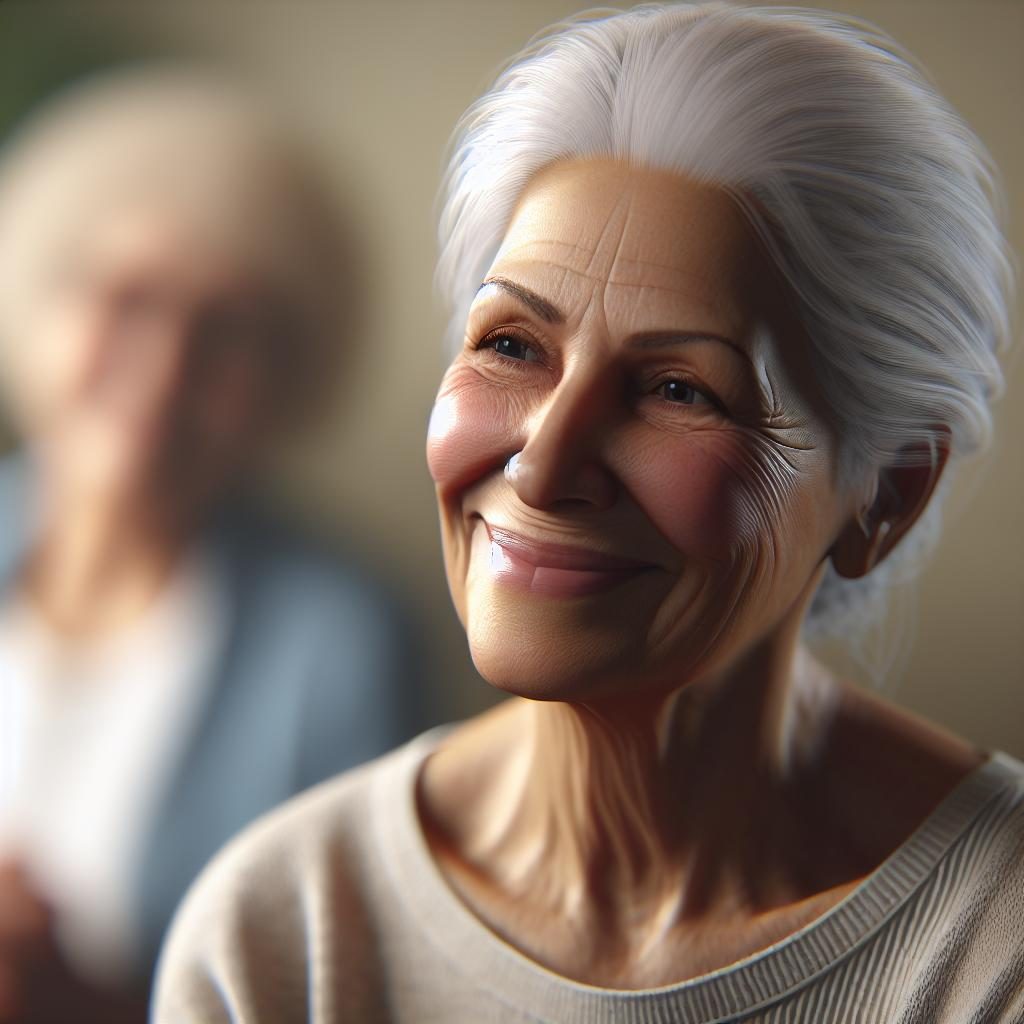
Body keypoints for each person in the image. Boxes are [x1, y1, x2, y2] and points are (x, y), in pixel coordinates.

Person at [153, 5, 1022, 1022]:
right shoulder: (284, 929)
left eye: (678, 390)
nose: (543, 464)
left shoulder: (989, 949)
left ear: (886, 495)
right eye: (512, 345)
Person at [0, 67, 422, 1023]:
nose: (161, 374)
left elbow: (354, 994)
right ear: (41, 306)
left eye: (224, 331)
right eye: (129, 298)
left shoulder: (344, 640)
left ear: (286, 381)